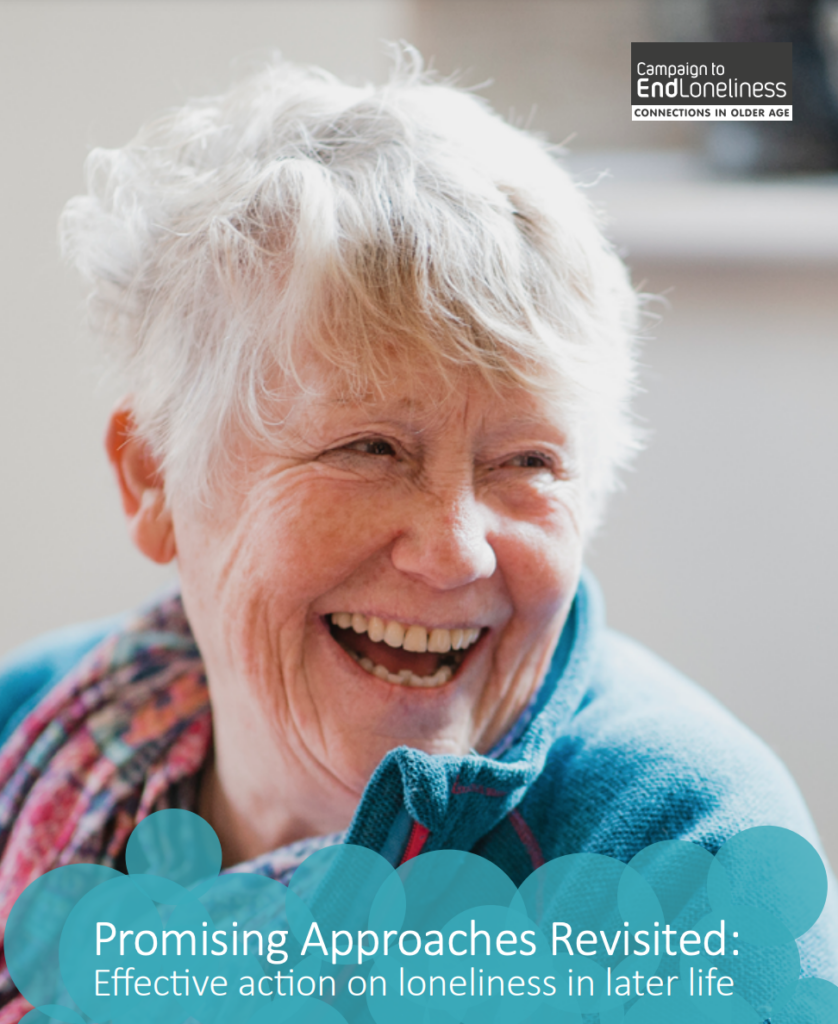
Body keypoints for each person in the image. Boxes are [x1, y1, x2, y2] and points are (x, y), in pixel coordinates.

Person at [0, 52, 835, 1016]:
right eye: (371, 448)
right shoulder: (33, 725)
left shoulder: (685, 860)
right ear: (154, 477)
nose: (457, 551)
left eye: (526, 462)